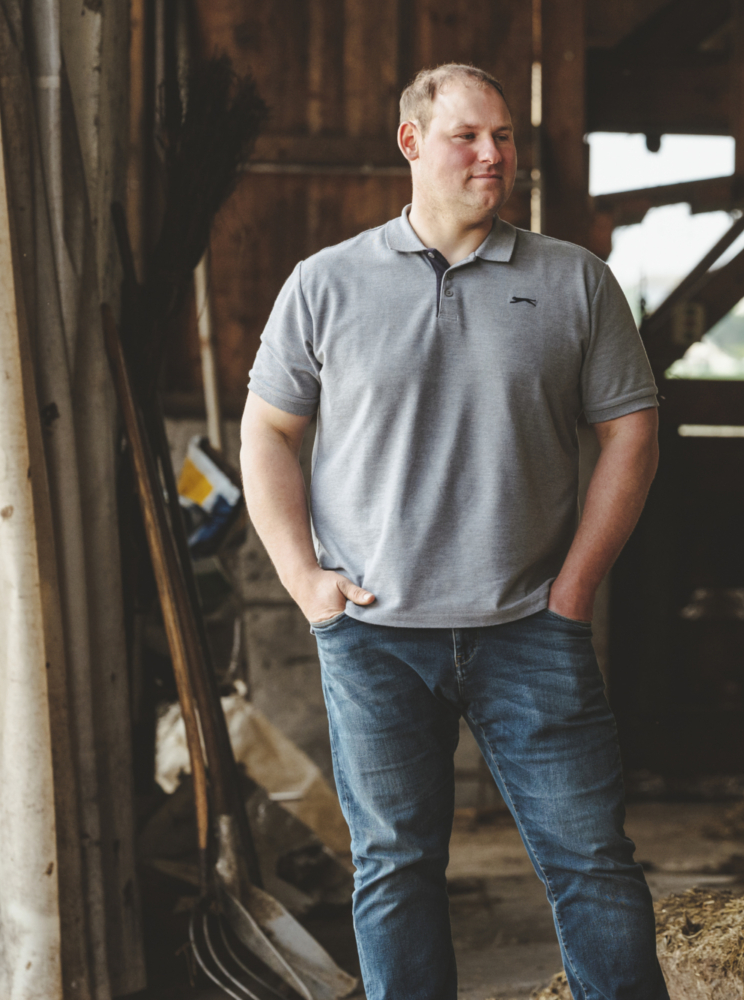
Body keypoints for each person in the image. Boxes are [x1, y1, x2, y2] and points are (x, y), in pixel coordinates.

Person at [239, 63, 666, 1000]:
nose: (493, 155)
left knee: (594, 864)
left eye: (505, 137)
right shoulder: (326, 284)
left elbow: (631, 429)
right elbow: (268, 430)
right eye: (469, 135)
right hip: (375, 636)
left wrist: (577, 589)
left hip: (531, 629)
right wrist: (305, 579)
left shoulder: (575, 282)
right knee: (394, 871)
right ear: (411, 143)